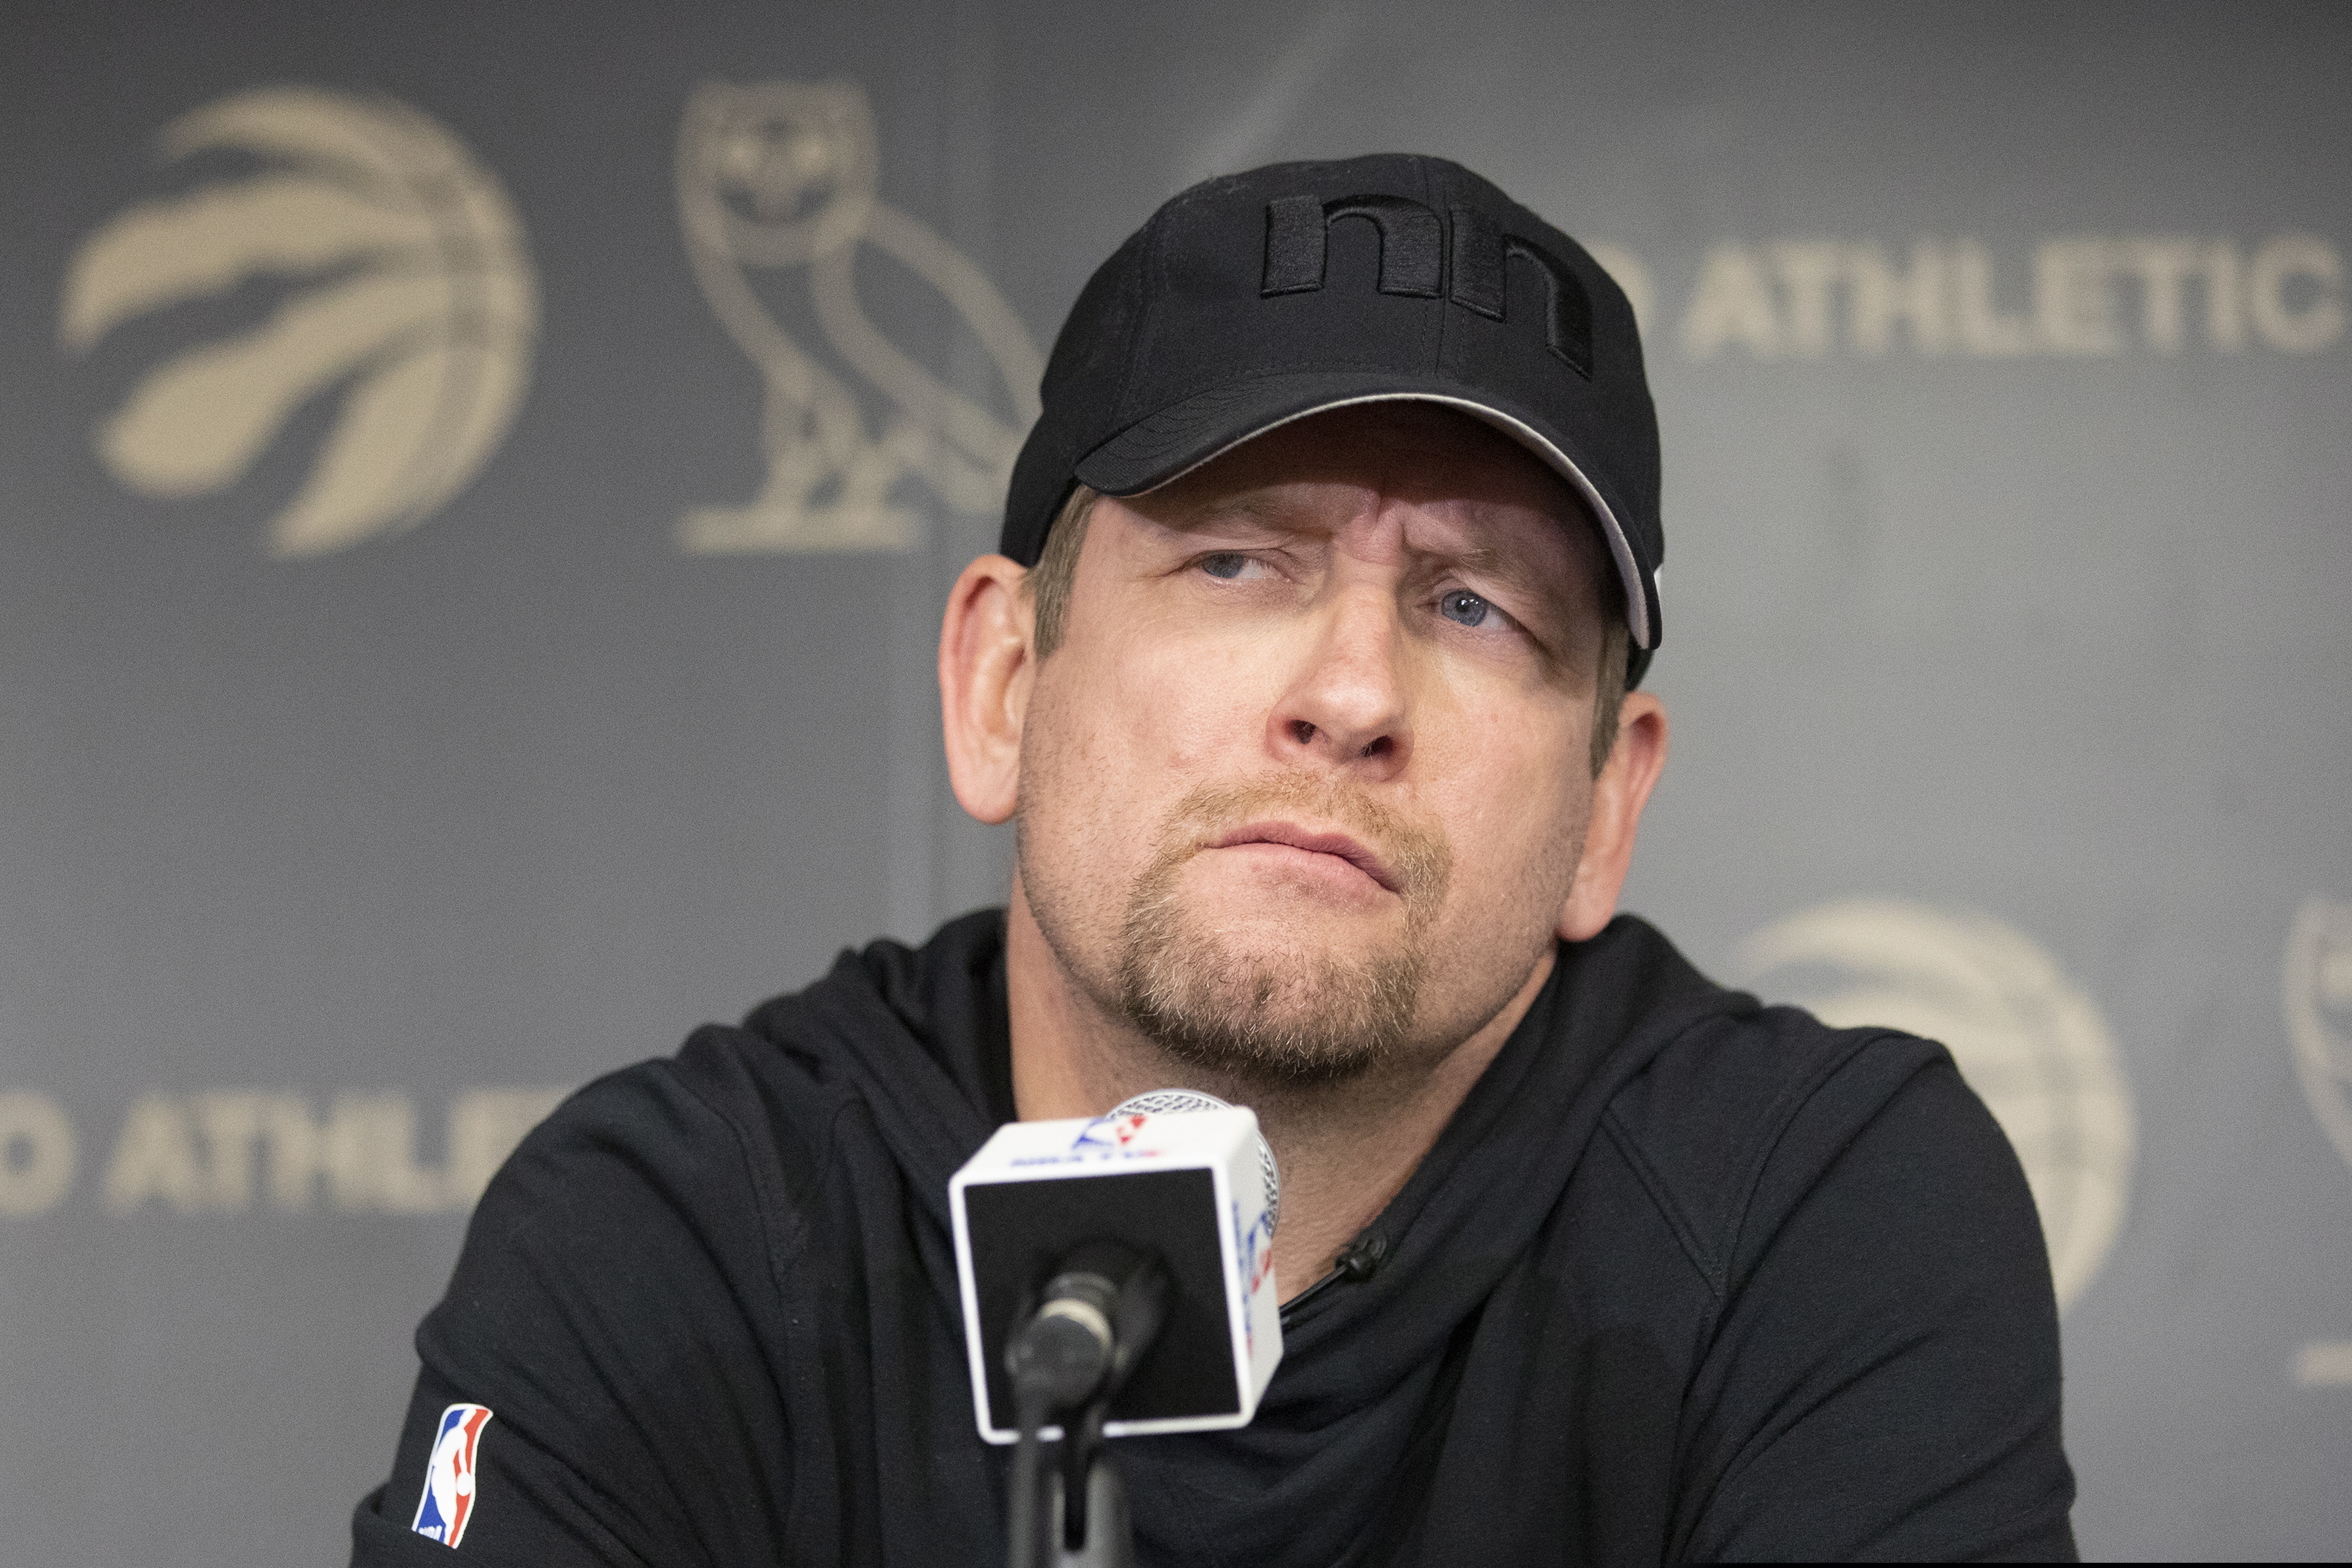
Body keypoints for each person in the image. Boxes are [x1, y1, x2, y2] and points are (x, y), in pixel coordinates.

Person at [351, 154, 2076, 1565]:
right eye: (1239, 563)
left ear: (1606, 808)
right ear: (1003, 684)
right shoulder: (677, 1234)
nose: (1352, 693)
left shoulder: (1812, 1215)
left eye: (1476, 607)